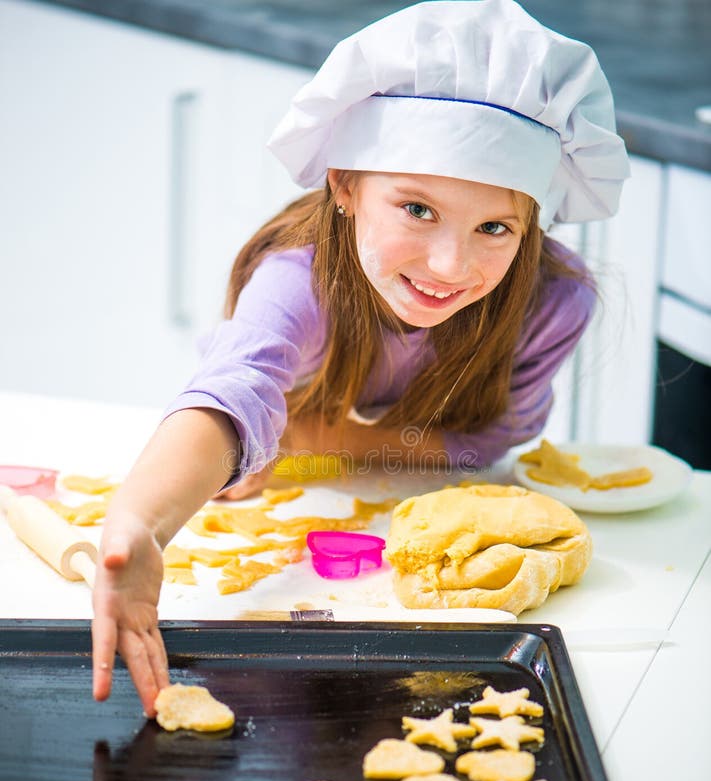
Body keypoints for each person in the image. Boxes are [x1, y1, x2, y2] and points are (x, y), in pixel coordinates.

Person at [91, 0, 630, 715]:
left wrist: (299, 442)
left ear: (532, 222)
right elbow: (234, 393)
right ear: (344, 184)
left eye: (494, 226)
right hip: (313, 516)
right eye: (416, 209)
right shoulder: (298, 281)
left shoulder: (551, 301)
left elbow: (484, 445)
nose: (449, 263)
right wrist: (139, 523)